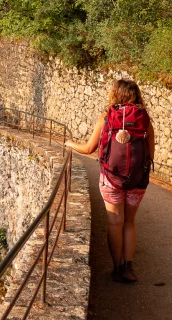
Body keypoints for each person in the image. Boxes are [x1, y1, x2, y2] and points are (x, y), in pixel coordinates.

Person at [66, 79, 155, 283]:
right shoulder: (145, 120)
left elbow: (89, 149)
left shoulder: (106, 118)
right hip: (137, 181)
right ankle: (129, 267)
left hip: (111, 180)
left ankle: (117, 268)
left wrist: (70, 143)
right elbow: (150, 156)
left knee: (115, 223)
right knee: (129, 222)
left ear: (115, 94)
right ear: (137, 95)